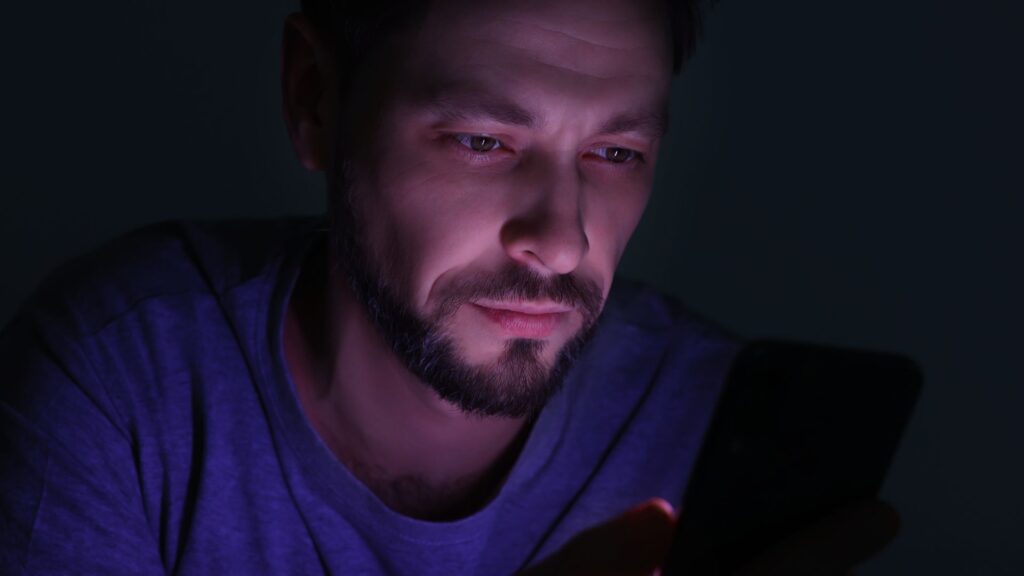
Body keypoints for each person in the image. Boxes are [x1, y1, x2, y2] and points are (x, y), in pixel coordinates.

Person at [0, 0, 898, 573]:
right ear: (316, 100)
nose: (562, 241)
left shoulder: (716, 432)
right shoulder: (122, 383)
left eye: (615, 153)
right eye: (482, 141)